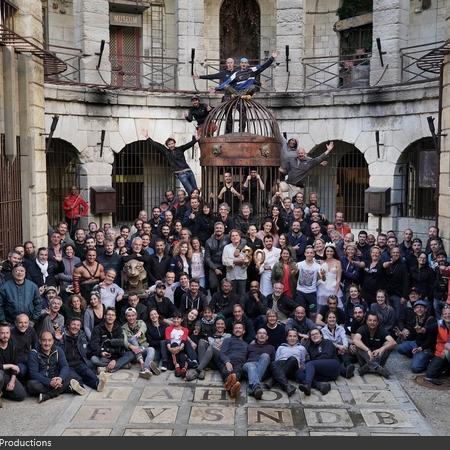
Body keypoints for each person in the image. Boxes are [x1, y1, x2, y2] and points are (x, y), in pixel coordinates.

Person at [27, 331, 86, 403]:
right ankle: (68, 388)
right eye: (44, 340)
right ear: (40, 341)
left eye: (49, 340)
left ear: (53, 341)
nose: (47, 343)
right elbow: (34, 374)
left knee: (72, 373)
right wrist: (49, 382)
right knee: (31, 385)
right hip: (42, 381)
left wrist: (60, 378)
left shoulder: (58, 350)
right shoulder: (33, 353)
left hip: (56, 378)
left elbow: (65, 366)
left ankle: (48, 395)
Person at [61, 317, 107, 392]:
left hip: (79, 363)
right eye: (73, 324)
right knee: (76, 378)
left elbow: (88, 349)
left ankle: (98, 384)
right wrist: (59, 340)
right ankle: (80, 388)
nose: (75, 327)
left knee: (88, 373)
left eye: (78, 325)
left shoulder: (81, 336)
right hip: (68, 365)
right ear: (68, 326)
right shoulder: (62, 337)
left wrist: (99, 352)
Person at [396, 299, 437, 373]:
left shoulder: (431, 320)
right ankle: (416, 356)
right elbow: (412, 336)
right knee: (400, 348)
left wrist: (421, 348)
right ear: (414, 310)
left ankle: (426, 360)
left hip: (426, 347)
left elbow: (431, 339)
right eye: (417, 307)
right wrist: (403, 336)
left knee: (415, 368)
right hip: (416, 343)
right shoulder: (415, 319)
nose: (419, 309)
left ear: (425, 309)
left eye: (422, 307)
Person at [89, 307, 134, 372]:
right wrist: (101, 352)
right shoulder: (97, 329)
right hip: (104, 356)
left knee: (131, 354)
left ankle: (105, 368)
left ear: (115, 317)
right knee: (94, 359)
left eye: (113, 315)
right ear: (104, 316)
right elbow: (94, 345)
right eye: (108, 315)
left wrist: (114, 360)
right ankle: (121, 364)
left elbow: (120, 345)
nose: (110, 317)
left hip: (116, 355)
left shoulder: (118, 328)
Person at [297, 328, 341, 395]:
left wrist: (310, 364)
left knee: (310, 364)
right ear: (310, 338)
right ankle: (320, 386)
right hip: (323, 374)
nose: (314, 336)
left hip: (333, 366)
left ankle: (307, 384)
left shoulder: (327, 342)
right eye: (312, 335)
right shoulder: (310, 347)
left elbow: (326, 356)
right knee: (299, 374)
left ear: (321, 335)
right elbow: (307, 359)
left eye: (316, 334)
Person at [353, 313, 396, 378]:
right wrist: (367, 350)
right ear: (367, 321)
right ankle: (376, 368)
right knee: (358, 345)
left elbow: (393, 342)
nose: (372, 322)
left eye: (374, 320)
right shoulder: (362, 328)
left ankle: (367, 367)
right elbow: (355, 340)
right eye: (370, 320)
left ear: (377, 322)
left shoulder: (381, 330)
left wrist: (381, 349)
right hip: (365, 358)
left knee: (388, 345)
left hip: (377, 356)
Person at [123, 307, 160, 379]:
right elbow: (124, 341)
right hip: (133, 352)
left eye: (133, 315)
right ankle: (144, 364)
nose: (131, 317)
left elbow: (144, 327)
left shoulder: (140, 322)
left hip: (143, 348)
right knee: (133, 339)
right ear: (126, 317)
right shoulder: (124, 328)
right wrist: (131, 346)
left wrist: (140, 332)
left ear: (136, 315)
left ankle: (146, 369)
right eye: (129, 316)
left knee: (151, 349)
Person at [270, 329, 307, 396]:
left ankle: (273, 380)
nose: (292, 338)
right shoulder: (281, 347)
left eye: (294, 336)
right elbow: (277, 361)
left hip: (294, 369)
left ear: (297, 338)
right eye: (290, 336)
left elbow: (303, 362)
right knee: (273, 363)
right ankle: (287, 386)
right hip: (282, 365)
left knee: (292, 359)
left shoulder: (302, 348)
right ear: (287, 338)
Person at [321, 311, 355, 378]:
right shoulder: (323, 330)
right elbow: (329, 342)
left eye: (334, 317)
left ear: (336, 319)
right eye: (330, 317)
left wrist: (345, 347)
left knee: (344, 354)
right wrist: (339, 346)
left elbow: (344, 338)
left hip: (341, 350)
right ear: (326, 319)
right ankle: (346, 372)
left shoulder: (341, 328)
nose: (332, 319)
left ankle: (349, 366)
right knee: (337, 361)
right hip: (331, 351)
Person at [243, 328, 275, 399]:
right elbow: (244, 358)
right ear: (256, 336)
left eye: (264, 333)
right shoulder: (250, 346)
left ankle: (253, 387)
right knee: (251, 366)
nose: (262, 335)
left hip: (262, 369)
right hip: (248, 367)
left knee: (265, 356)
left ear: (267, 337)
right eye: (260, 333)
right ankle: (256, 385)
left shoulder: (271, 348)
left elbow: (273, 363)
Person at [0, 322, 27, 405]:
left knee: (21, 395)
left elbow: (15, 364)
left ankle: (2, 391)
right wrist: (10, 365)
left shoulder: (13, 345)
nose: (5, 335)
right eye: (2, 333)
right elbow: (13, 366)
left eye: (7, 333)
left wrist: (12, 381)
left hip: (7, 375)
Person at [219, 322, 248, 398]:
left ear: (243, 331)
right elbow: (222, 353)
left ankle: (231, 387)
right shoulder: (228, 340)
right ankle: (232, 388)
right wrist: (227, 362)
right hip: (229, 360)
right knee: (227, 370)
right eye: (236, 328)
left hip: (240, 363)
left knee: (237, 372)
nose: (237, 330)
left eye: (240, 328)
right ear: (233, 331)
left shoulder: (246, 344)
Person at [425, 306, 450, 385]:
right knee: (430, 375)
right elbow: (427, 329)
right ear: (442, 316)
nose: (447, 315)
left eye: (449, 313)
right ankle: (446, 367)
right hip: (441, 352)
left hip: (447, 350)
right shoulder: (439, 324)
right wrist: (422, 330)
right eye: (445, 314)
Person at [295, 245, 321, 315]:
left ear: (314, 254)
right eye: (308, 252)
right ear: (305, 254)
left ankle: (312, 325)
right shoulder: (299, 264)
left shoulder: (318, 266)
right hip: (300, 292)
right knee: (300, 311)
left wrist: (323, 275)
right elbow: (293, 274)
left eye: (311, 253)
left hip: (311, 293)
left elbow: (323, 279)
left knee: (313, 312)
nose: (309, 254)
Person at [205, 222, 230, 294]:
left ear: (224, 230)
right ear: (214, 229)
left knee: (226, 287)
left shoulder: (229, 238)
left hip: (226, 266)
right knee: (213, 286)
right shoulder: (208, 241)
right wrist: (215, 268)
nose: (218, 229)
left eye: (220, 228)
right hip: (213, 266)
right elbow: (207, 258)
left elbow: (242, 240)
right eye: (217, 228)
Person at [222, 230, 248, 296]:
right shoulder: (227, 247)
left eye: (236, 235)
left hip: (242, 276)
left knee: (242, 296)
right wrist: (236, 261)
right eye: (232, 236)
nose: (234, 237)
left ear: (240, 237)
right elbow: (224, 261)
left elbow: (247, 261)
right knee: (231, 296)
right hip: (231, 276)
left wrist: (242, 262)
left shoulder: (246, 248)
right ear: (230, 238)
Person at [165, 311, 190, 376]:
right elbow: (168, 339)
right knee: (174, 344)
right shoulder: (168, 328)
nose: (176, 320)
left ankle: (182, 369)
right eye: (174, 318)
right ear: (172, 319)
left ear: (181, 320)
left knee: (182, 354)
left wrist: (179, 348)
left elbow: (183, 340)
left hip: (181, 348)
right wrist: (170, 348)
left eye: (178, 318)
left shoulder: (185, 330)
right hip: (171, 349)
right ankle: (178, 366)